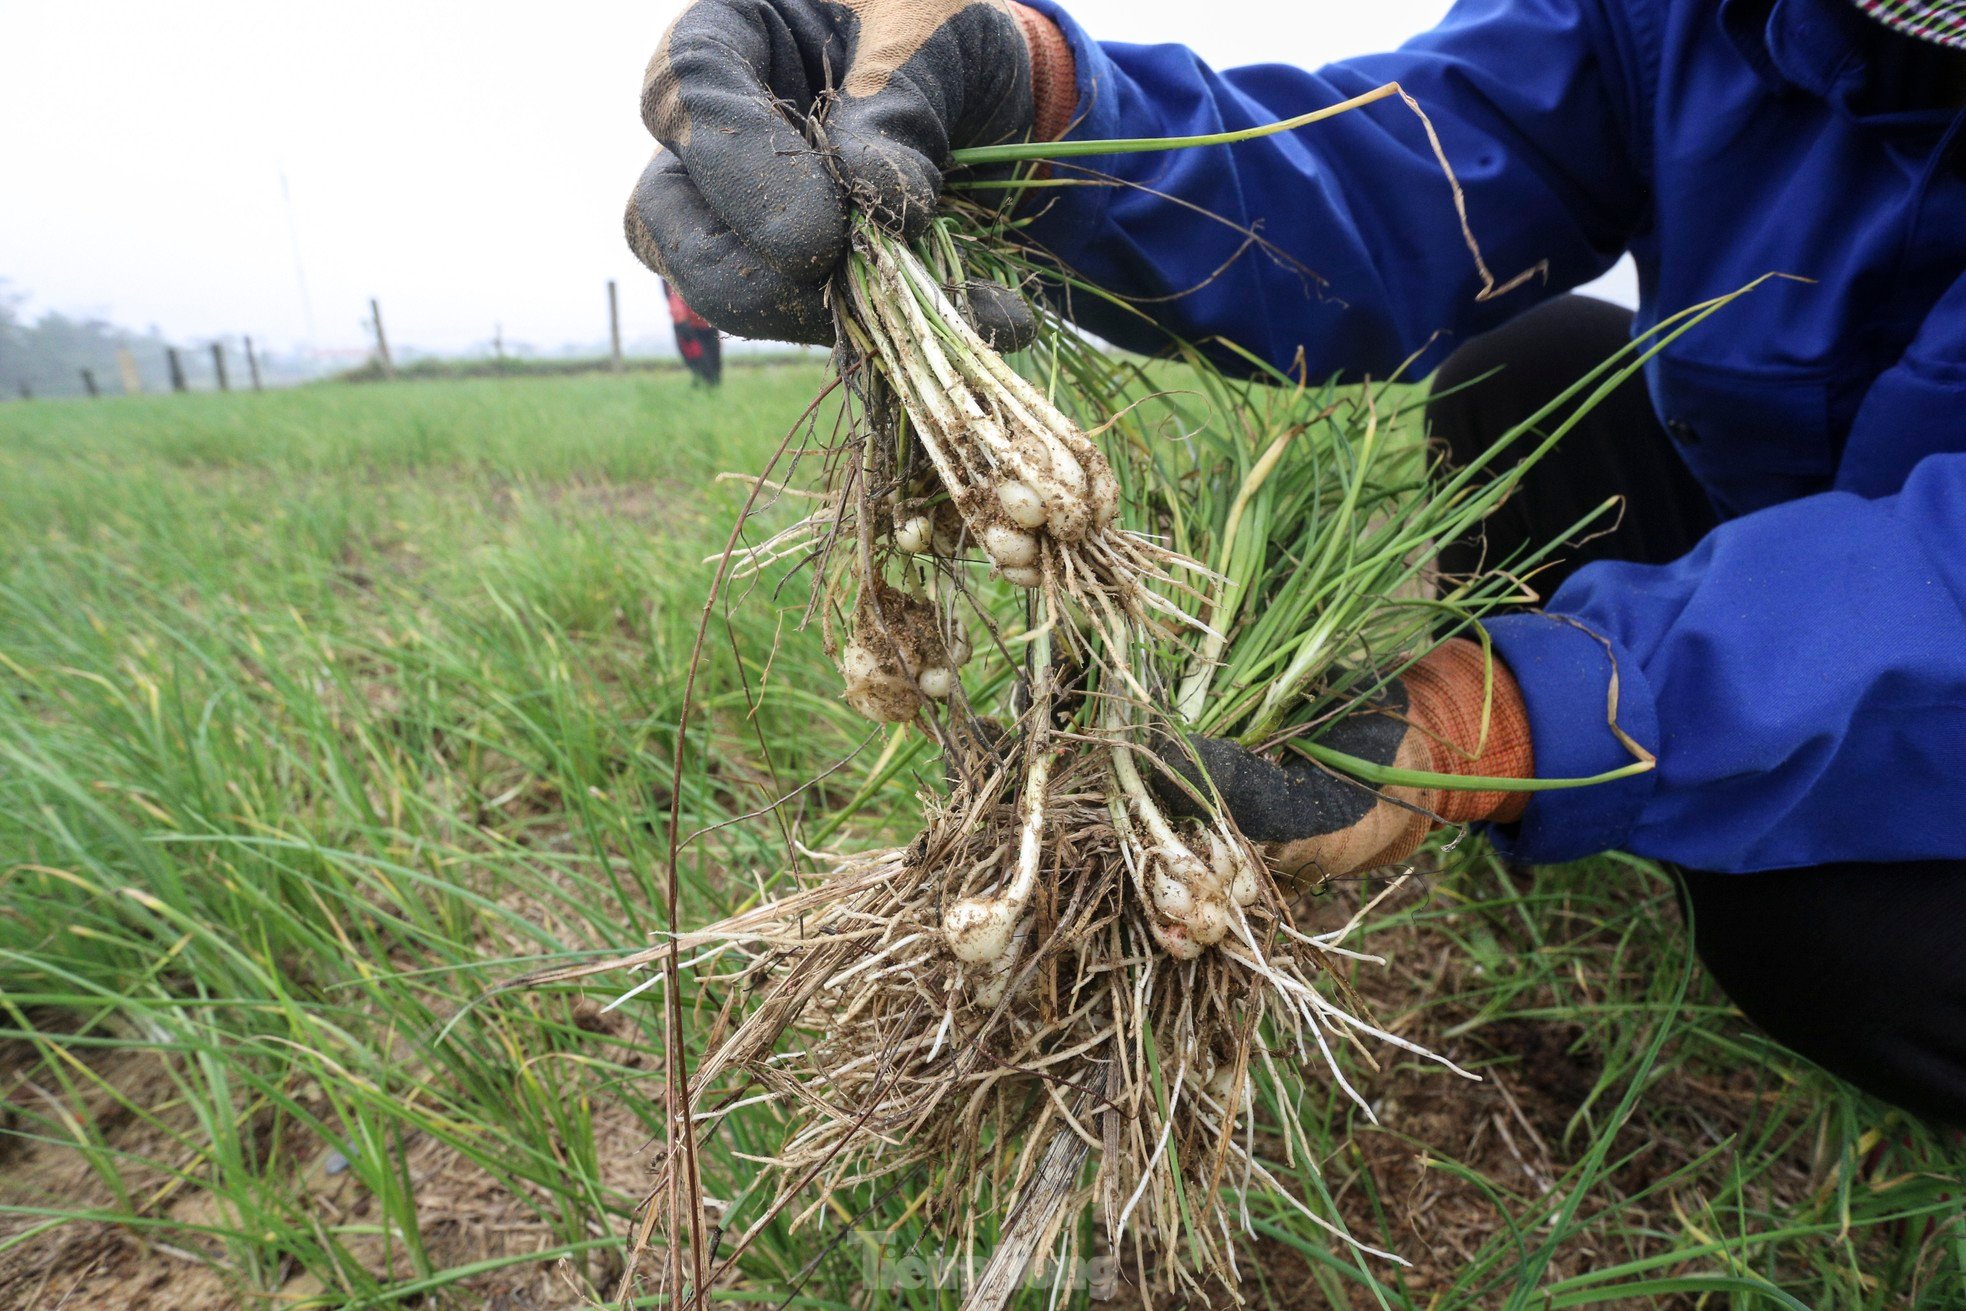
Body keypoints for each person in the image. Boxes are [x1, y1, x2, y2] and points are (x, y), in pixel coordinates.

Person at [623, 0, 1966, 1123]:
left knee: (1836, 942)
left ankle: (1707, 794)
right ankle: (1705, 787)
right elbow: (1419, 171)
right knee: (1530, 372)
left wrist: (1501, 719)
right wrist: (1030, 101)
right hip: (1826, 495)